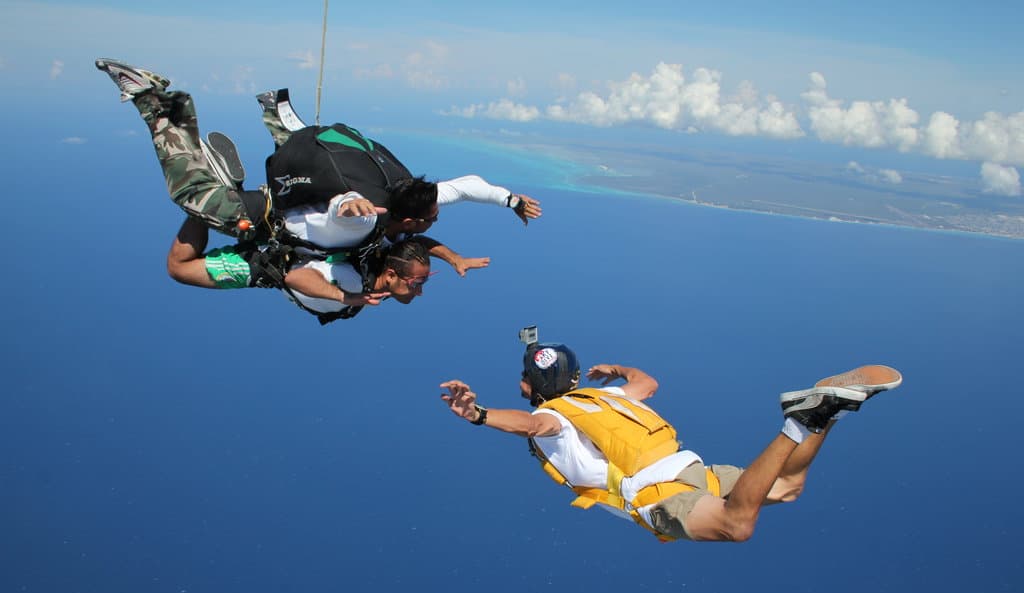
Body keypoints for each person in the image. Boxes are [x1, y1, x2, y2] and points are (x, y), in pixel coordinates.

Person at [93, 58, 541, 300]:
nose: (433, 220)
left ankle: (277, 115)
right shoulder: (366, 231)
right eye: (418, 282)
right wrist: (349, 211)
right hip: (264, 235)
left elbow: (462, 188)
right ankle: (152, 99)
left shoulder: (403, 200)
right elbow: (335, 219)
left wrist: (504, 206)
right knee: (189, 201)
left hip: (281, 234)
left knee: (181, 267)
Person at [440, 330, 902, 543]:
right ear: (578, 376)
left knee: (736, 526)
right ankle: (827, 412)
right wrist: (616, 369)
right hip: (691, 469)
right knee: (786, 487)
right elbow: (648, 381)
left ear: (528, 388)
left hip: (655, 494)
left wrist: (477, 414)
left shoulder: (556, 419)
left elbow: (530, 423)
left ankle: (799, 421)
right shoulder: (615, 397)